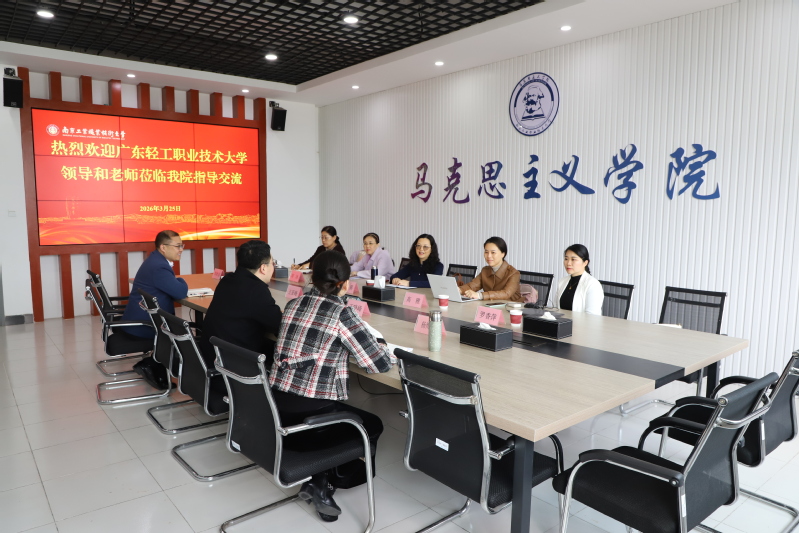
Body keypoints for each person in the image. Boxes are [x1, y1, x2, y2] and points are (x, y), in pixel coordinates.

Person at [270, 250, 395, 522]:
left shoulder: (293, 304)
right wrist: (380, 344)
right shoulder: (343, 314)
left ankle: (320, 479)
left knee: (335, 408)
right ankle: (325, 481)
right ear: (346, 284)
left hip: (275, 411)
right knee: (372, 424)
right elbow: (380, 364)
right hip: (309, 425)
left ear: (312, 278)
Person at [198, 240, 282, 366]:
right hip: (234, 363)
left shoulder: (227, 280)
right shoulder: (256, 290)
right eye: (272, 263)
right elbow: (279, 325)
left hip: (211, 355)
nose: (273, 267)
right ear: (263, 268)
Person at [122, 230, 189, 338]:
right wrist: (181, 280)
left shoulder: (155, 259)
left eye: (182, 246)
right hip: (145, 327)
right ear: (163, 247)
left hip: (141, 321)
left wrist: (177, 281)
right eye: (178, 246)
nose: (181, 249)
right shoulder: (159, 267)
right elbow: (180, 292)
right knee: (186, 334)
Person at [459, 236, 523, 302]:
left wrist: (480, 295)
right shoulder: (485, 270)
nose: (489, 256)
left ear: (503, 254)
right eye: (486, 252)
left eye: (493, 252)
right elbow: (472, 285)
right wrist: (459, 290)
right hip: (489, 305)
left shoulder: (513, 273)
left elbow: (506, 293)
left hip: (510, 306)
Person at [556, 244, 604, 315]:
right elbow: (556, 309)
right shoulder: (562, 281)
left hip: (582, 322)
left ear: (585, 263)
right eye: (566, 259)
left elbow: (592, 316)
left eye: (573, 259)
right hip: (562, 321)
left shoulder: (593, 285)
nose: (568, 263)